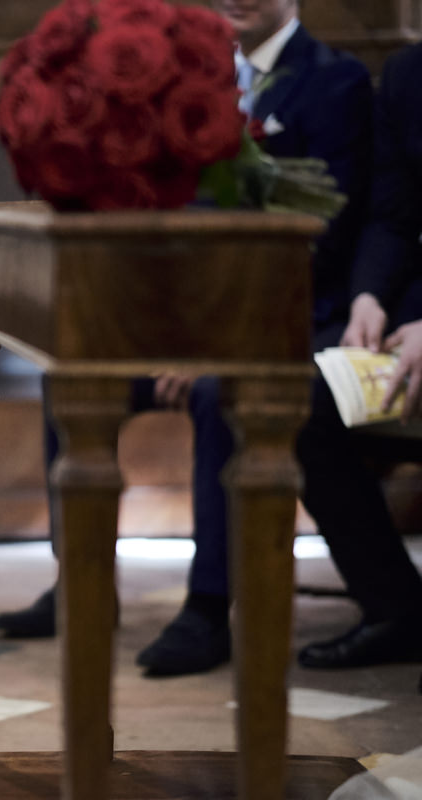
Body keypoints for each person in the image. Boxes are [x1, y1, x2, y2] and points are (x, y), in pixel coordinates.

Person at [0, 0, 375, 678]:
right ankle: (80, 578)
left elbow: (326, 234)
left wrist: (216, 340)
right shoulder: (187, 82)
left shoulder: (336, 80)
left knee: (214, 394)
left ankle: (207, 606)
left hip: (285, 321)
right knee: (72, 377)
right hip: (187, 320)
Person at [294, 40, 422, 672]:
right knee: (305, 406)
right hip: (407, 316)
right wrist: (368, 297)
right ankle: (396, 608)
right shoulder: (406, 74)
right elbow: (394, 217)